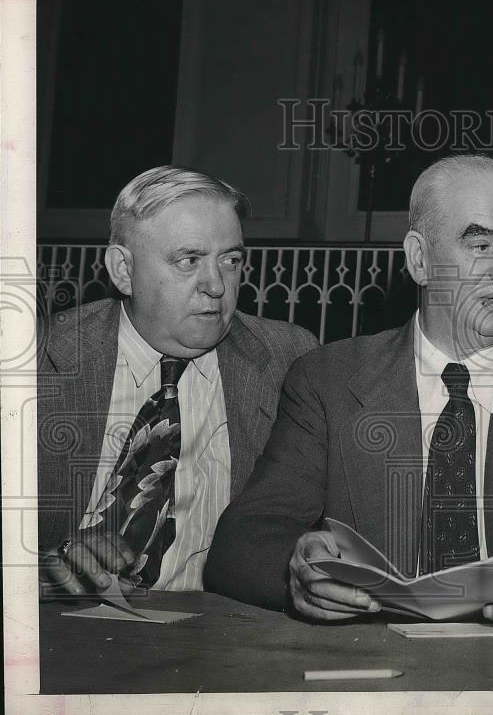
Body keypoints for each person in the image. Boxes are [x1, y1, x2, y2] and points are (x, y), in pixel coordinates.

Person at [205, 155, 493, 632]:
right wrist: (297, 571)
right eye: (479, 243)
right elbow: (243, 542)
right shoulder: (328, 382)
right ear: (419, 258)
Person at [37, 166, 318, 595]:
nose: (216, 286)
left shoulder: (288, 359)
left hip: (218, 637)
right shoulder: (41, 360)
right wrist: (40, 569)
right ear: (123, 270)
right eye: (188, 260)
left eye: (231, 260)